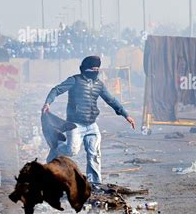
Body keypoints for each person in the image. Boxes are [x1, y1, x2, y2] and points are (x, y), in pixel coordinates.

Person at [42, 56, 135, 185]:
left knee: (94, 154)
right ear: (85, 68)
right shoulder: (74, 80)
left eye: (97, 68)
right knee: (72, 151)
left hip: (92, 124)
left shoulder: (99, 85)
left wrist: (126, 115)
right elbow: (56, 90)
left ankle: (94, 183)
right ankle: (56, 148)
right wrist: (48, 103)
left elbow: (111, 100)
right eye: (93, 68)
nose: (96, 70)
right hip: (75, 124)